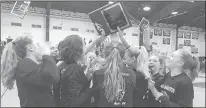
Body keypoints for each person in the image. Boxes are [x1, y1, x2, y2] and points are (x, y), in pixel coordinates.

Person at [1, 35, 59, 107]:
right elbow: (52, 77)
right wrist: (46, 53)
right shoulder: (25, 65)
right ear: (30, 47)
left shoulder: (28, 64)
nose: (40, 48)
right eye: (38, 45)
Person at [57, 35, 104, 107]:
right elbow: (75, 100)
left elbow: (74, 87)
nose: (85, 48)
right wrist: (93, 90)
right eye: (84, 46)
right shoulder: (73, 69)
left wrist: (87, 77)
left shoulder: (64, 64)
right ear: (78, 50)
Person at [92, 42, 136, 107]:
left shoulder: (98, 74)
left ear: (104, 55)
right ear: (123, 56)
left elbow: (95, 97)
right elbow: (132, 95)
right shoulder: (131, 73)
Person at [117, 27, 150, 107]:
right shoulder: (142, 74)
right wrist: (121, 38)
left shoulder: (135, 75)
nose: (123, 60)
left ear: (133, 59)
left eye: (125, 58)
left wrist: (121, 38)